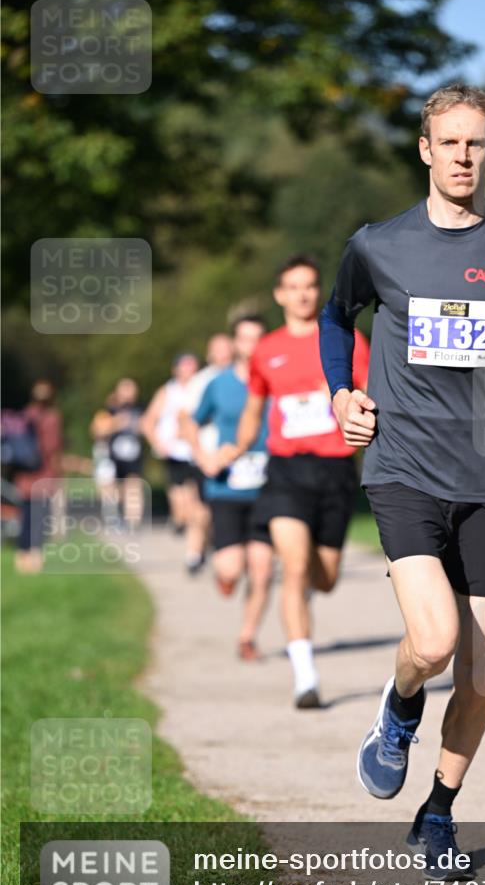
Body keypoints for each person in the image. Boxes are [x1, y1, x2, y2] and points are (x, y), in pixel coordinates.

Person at [320, 84, 485, 879]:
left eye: (475, 143)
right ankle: (400, 705)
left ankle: (436, 813)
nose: (462, 156)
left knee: (479, 668)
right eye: (449, 142)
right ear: (425, 149)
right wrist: (341, 393)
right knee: (434, 642)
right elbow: (337, 317)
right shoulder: (378, 244)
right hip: (402, 466)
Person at [204, 255, 370, 708]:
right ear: (279, 294)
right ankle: (305, 678)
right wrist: (236, 447)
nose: (302, 294)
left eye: (309, 286)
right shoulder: (266, 349)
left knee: (325, 578)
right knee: (293, 567)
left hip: (335, 470)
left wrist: (340, 396)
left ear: (319, 291)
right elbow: (254, 410)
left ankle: (310, 589)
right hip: (285, 471)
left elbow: (371, 395)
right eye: (293, 287)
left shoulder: (347, 340)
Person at [184, 316, 273, 660]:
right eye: (245, 338)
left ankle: (247, 637)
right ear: (235, 343)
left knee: (262, 570)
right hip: (226, 488)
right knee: (232, 567)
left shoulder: (276, 378)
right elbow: (189, 422)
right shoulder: (219, 384)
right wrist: (203, 457)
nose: (251, 345)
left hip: (269, 487)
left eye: (258, 338)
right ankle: (224, 572)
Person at [141, 354, 209, 573]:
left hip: (199, 453)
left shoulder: (204, 387)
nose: (189, 371)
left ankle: (194, 553)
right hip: (176, 454)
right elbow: (147, 421)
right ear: (176, 369)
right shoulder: (167, 391)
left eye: (193, 367)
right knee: (183, 505)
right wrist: (158, 443)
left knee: (197, 505)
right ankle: (188, 533)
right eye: (185, 367)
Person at [13, 380, 63, 574]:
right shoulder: (52, 417)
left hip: (24, 476)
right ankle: (35, 558)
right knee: (39, 519)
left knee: (25, 518)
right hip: (43, 474)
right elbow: (53, 447)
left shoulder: (24, 415)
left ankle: (21, 557)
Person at [90, 378, 145, 530]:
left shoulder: (140, 409)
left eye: (131, 390)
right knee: (111, 488)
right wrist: (117, 423)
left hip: (133, 456)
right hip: (112, 455)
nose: (129, 394)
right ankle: (112, 517)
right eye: (125, 390)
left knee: (133, 486)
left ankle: (133, 523)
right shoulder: (108, 411)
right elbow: (96, 431)